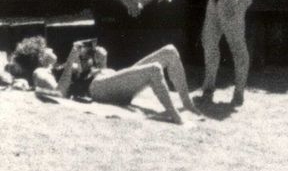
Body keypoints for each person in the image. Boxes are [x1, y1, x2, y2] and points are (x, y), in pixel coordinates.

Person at [58, 38, 195, 123]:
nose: (51, 49)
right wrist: (71, 58)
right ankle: (175, 116)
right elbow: (60, 92)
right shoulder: (66, 67)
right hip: (97, 87)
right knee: (154, 69)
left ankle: (187, 102)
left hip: (110, 83)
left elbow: (105, 75)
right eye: (48, 50)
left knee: (170, 51)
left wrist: (102, 60)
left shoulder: (87, 65)